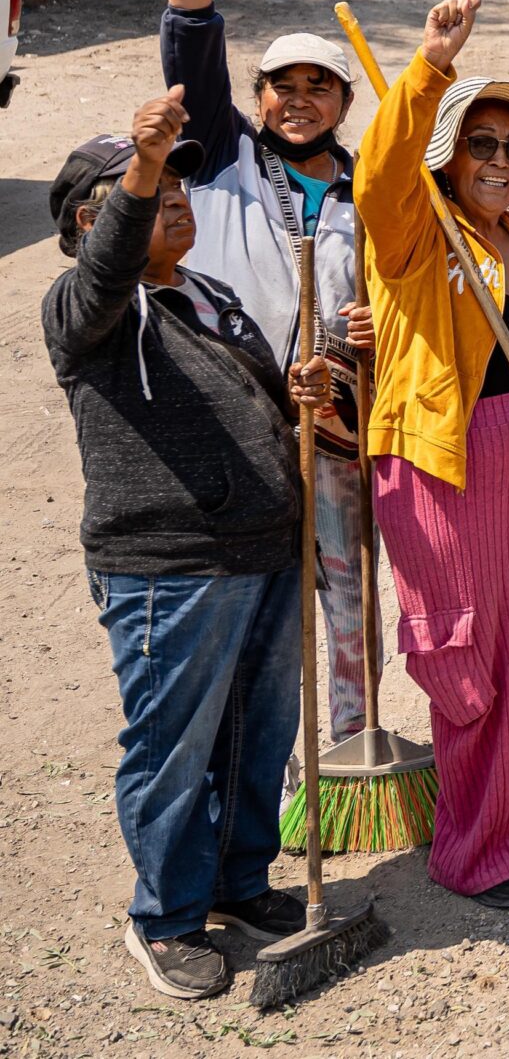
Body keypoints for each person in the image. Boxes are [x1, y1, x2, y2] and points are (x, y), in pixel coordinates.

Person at [47, 97, 331, 1000]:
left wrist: (300, 387)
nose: (175, 199)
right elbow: (102, 275)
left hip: (262, 547)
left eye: (180, 186)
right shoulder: (86, 309)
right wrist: (138, 163)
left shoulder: (206, 293)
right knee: (175, 742)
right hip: (170, 566)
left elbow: (261, 407)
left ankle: (238, 881)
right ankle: (165, 918)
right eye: (147, 191)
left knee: (258, 728)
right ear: (92, 223)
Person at [358, 0, 509, 910]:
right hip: (443, 462)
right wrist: (432, 68)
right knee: (472, 654)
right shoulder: (416, 231)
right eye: (479, 144)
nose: (497, 160)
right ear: (449, 154)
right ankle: (478, 849)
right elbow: (377, 177)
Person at [154, 0, 373, 744]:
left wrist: (375, 330)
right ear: (257, 96)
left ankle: (352, 752)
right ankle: (270, 768)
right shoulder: (227, 155)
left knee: (349, 601)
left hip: (337, 424)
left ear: (341, 101)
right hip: (242, 422)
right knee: (256, 603)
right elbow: (195, 39)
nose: (297, 99)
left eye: (317, 86)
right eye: (280, 85)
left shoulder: (368, 186)